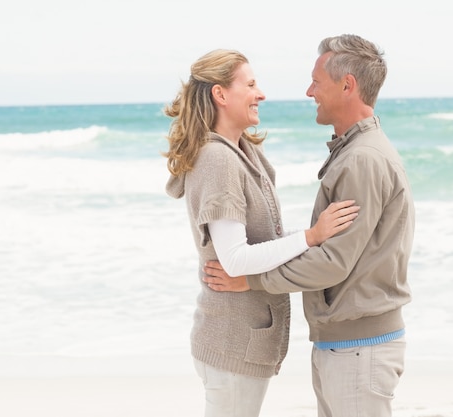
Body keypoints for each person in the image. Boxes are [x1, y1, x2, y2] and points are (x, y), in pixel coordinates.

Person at [203, 34, 415, 417]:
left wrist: (250, 280)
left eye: (317, 81)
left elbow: (331, 262)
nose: (308, 91)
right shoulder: (352, 152)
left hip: (359, 347)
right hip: (348, 343)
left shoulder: (361, 160)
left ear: (347, 85)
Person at [163, 49, 360, 417]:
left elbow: (259, 240)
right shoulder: (218, 159)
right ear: (220, 94)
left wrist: (309, 235)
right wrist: (312, 237)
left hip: (240, 340)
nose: (261, 94)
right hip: (231, 342)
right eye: (250, 84)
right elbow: (235, 260)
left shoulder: (243, 152)